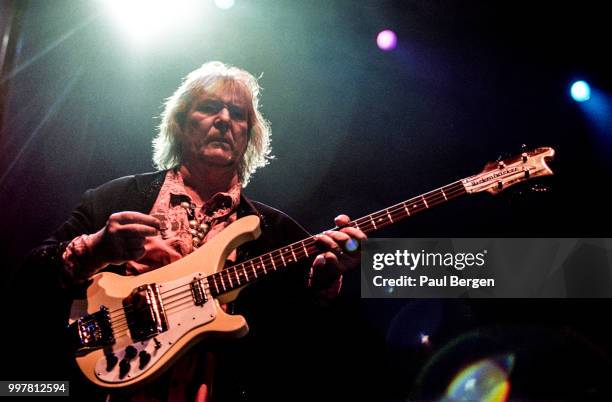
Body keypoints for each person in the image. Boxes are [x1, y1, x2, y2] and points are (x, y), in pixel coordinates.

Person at [24, 61, 366, 402]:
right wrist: (96, 249)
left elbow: (313, 348)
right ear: (181, 122)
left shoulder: (276, 232)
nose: (224, 120)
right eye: (209, 107)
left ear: (248, 135)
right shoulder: (117, 198)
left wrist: (325, 283)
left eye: (237, 113)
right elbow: (27, 279)